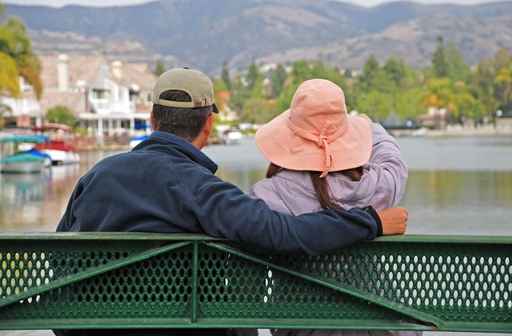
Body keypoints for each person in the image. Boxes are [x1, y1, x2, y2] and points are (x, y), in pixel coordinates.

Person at [56, 69, 408, 336]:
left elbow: (60, 262)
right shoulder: (205, 191)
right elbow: (284, 235)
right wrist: (372, 222)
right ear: (208, 125)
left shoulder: (96, 177)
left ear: (152, 121)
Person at [251, 79, 415, 336]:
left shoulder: (268, 196)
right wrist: (364, 125)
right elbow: (392, 159)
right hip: (379, 327)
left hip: (300, 329)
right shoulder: (375, 188)